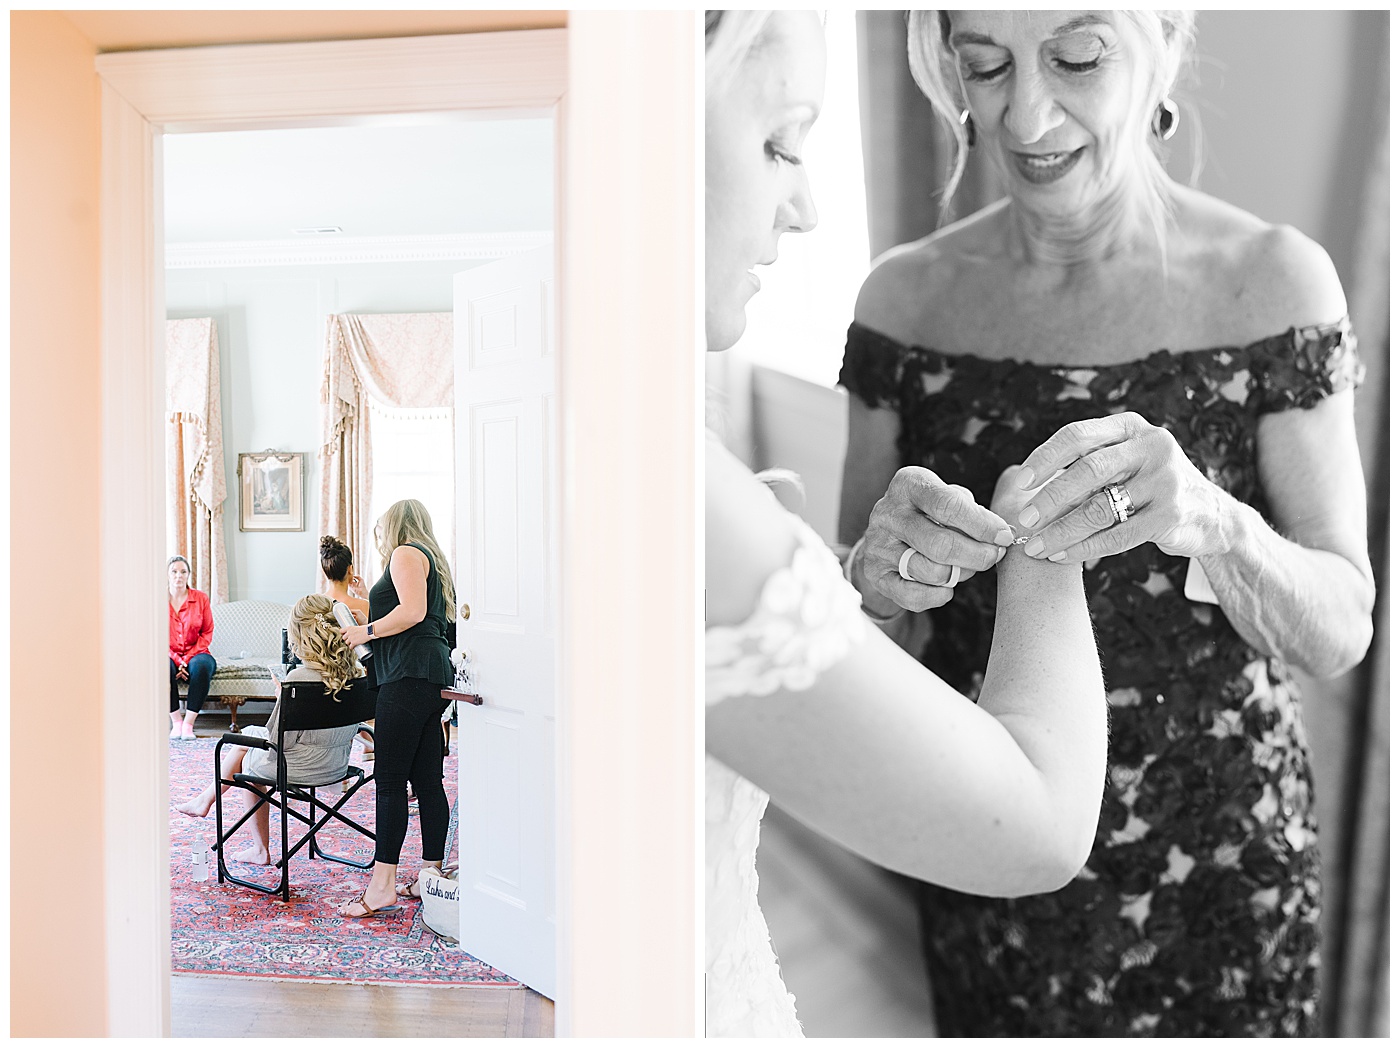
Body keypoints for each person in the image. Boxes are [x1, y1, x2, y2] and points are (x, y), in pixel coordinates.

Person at [837, 11, 1374, 1036]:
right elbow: (863, 641)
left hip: (1222, 862)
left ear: (1164, 45)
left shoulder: (1271, 282)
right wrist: (880, 578)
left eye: (1075, 60)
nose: (1024, 113)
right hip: (988, 848)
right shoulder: (902, 306)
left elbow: (1341, 626)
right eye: (983, 66)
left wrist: (1217, 525)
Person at [705, 11, 1110, 1037]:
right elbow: (1039, 825)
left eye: (1074, 57)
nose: (802, 206)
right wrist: (1047, 545)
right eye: (780, 143)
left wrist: (851, 588)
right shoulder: (685, 500)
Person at [174, 594, 366, 865]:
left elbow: (277, 743)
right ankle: (206, 799)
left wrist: (282, 698)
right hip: (335, 767)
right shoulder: (357, 675)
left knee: (250, 755)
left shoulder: (298, 680)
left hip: (295, 769)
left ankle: (258, 847)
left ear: (301, 636)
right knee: (251, 734)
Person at [336, 499, 456, 918]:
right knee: (426, 779)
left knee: (389, 782)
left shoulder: (405, 553)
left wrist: (362, 630)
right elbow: (414, 617)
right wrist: (368, 599)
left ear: (394, 526)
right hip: (428, 675)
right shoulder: (431, 560)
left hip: (406, 677)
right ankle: (430, 877)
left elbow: (412, 613)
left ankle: (382, 886)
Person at [168, 554, 216, 741]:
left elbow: (207, 632)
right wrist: (177, 660)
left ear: (188, 575)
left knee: (202, 666)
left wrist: (186, 659)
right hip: (169, 655)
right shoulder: (157, 599)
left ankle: (188, 724)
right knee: (162, 667)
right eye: (174, 572)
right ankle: (176, 722)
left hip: (198, 653)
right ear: (168, 575)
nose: (178, 576)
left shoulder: (201, 599)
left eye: (183, 572)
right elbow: (155, 636)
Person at [319, 535, 370, 625]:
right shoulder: (364, 606)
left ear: (325, 570)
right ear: (350, 569)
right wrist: (366, 595)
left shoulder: (315, 606)